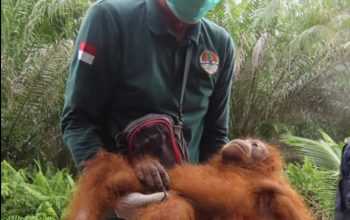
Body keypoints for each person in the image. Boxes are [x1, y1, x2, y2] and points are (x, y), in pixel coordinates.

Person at [61, 0, 235, 218]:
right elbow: (78, 120)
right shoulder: (110, 19)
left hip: (186, 207)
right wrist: (117, 185)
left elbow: (215, 137)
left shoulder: (219, 44)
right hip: (120, 203)